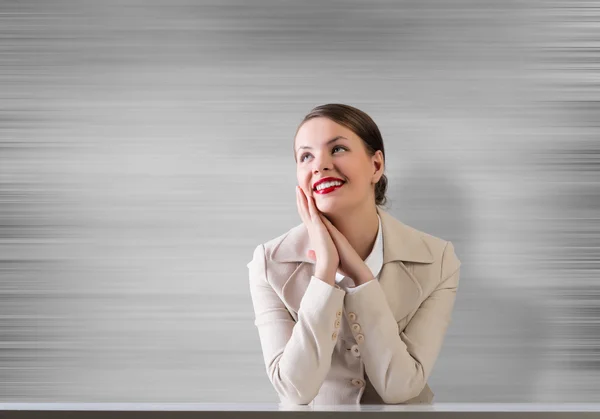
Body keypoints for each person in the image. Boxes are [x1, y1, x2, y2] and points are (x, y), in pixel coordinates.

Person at [247, 103, 461, 406]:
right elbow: (295, 390)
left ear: (376, 166)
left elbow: (399, 387)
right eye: (306, 156)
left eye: (337, 150)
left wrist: (361, 278)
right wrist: (324, 272)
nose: (319, 165)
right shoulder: (270, 263)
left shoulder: (437, 260)